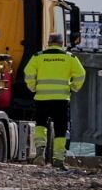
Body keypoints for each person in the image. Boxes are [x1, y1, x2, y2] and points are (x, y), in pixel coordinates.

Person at [22, 36, 86, 165]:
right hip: (61, 99)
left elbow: (28, 72)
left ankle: (40, 154)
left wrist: (33, 87)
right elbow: (81, 74)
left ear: (48, 43)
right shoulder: (70, 58)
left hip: (41, 98)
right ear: (62, 43)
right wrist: (73, 88)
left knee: (40, 124)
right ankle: (58, 159)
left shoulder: (38, 57)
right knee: (60, 128)